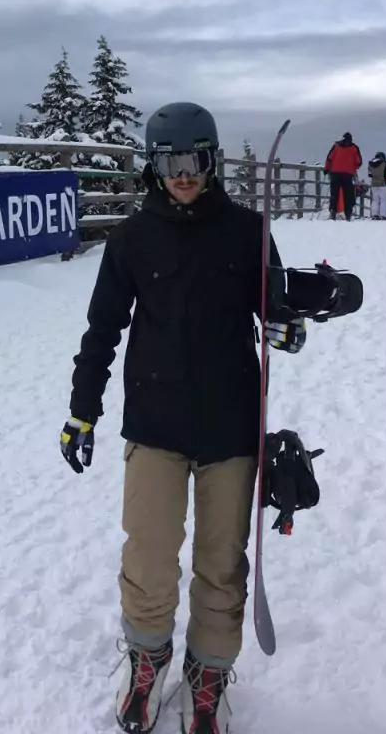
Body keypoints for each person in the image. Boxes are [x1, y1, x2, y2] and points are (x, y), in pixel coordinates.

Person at [60, 103, 307, 734]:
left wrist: (288, 328)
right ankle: (147, 663)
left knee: (222, 563)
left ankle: (208, 678)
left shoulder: (250, 231)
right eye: (169, 161)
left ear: (211, 160)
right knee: (147, 556)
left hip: (229, 425)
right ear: (152, 166)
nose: (182, 174)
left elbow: (277, 314)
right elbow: (102, 331)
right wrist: (81, 413)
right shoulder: (132, 239)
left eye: (193, 160)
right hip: (156, 424)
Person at [324, 132, 362, 220]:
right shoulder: (354, 148)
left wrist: (326, 169)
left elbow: (329, 158)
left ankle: (333, 212)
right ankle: (348, 213)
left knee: (334, 193)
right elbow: (359, 162)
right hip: (348, 174)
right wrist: (353, 167)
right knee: (348, 194)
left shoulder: (336, 146)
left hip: (335, 173)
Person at [367, 152, 386, 219]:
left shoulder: (370, 164)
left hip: (374, 184)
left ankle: (374, 215)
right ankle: (383, 215)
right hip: (383, 183)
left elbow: (370, 175)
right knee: (384, 200)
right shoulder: (384, 163)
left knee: (375, 200)